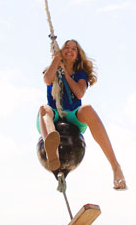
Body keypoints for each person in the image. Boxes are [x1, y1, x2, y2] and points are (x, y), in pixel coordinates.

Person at [37, 38, 127, 190]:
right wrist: (56, 62)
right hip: (53, 115)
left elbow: (79, 94)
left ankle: (115, 167)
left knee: (88, 109)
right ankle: (52, 148)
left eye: (74, 49)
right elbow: (47, 79)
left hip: (72, 115)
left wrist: (66, 74)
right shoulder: (51, 67)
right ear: (61, 51)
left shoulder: (80, 75)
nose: (70, 50)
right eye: (66, 47)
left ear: (78, 56)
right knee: (43, 109)